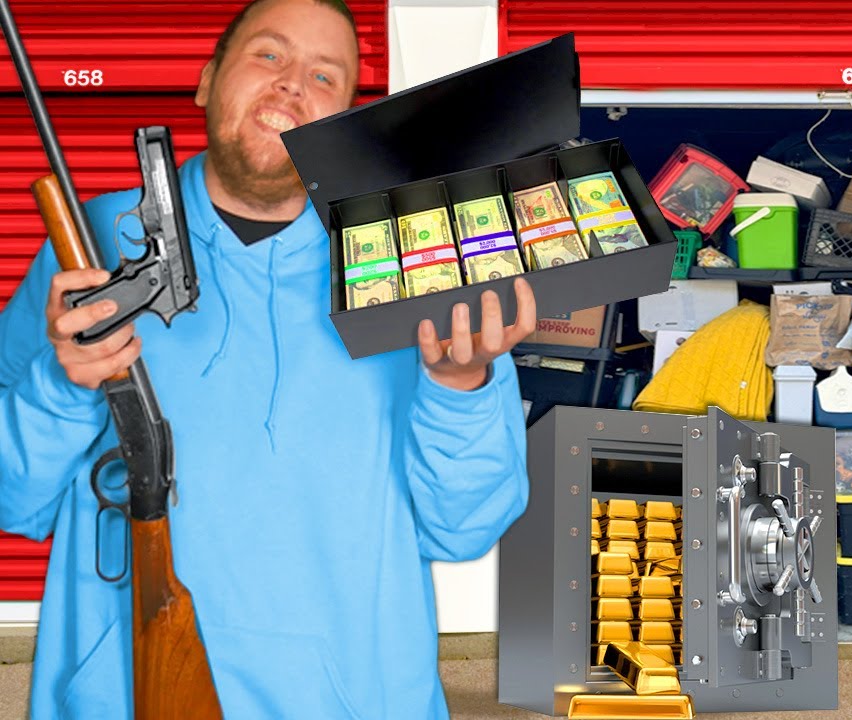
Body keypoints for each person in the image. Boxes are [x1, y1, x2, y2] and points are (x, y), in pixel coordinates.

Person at [0, 0, 535, 716]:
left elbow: (464, 528)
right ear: (206, 78)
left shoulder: (417, 268)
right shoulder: (89, 247)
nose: (291, 85)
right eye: (269, 55)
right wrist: (60, 387)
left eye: (324, 75)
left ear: (343, 118)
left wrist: (461, 383)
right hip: (121, 696)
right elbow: (13, 497)